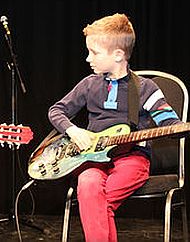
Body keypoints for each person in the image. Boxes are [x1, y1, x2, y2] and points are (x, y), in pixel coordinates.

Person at [48, 13, 181, 242]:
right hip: (92, 160)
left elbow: (170, 122)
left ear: (118, 55)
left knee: (96, 203)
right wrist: (73, 130)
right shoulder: (89, 85)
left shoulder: (145, 88)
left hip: (133, 159)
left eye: (94, 53)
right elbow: (56, 111)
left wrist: (178, 126)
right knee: (88, 184)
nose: (88, 58)